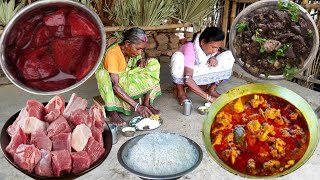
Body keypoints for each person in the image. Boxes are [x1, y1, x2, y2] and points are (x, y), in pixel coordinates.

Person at [95, 27, 161, 126]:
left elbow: (136, 62)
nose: (140, 52)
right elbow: (115, 86)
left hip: (129, 77)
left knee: (153, 63)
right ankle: (112, 112)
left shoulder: (131, 50)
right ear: (127, 44)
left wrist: (141, 61)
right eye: (138, 49)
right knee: (102, 74)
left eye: (142, 49)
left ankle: (146, 103)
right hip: (119, 84)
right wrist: (137, 107)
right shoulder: (113, 54)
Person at [170, 27, 235, 105]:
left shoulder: (211, 50)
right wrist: (209, 98)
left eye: (217, 47)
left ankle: (212, 89)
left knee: (229, 55)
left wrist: (213, 57)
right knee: (177, 56)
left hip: (199, 72)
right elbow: (187, 78)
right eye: (213, 47)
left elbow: (216, 53)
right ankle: (181, 93)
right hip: (187, 74)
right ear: (203, 42)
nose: (215, 50)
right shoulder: (190, 48)